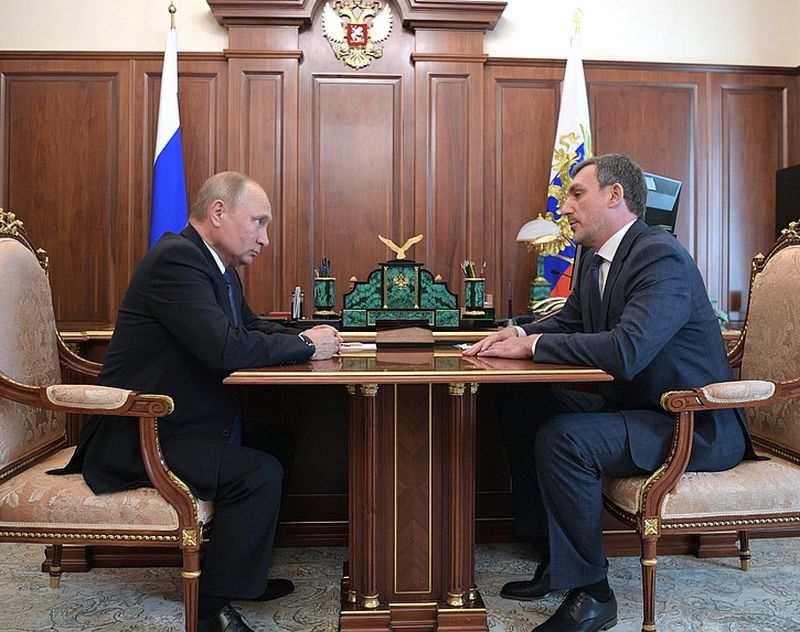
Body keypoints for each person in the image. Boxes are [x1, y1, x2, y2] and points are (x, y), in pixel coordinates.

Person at [464, 154, 755, 632]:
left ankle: (593, 595)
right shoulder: (595, 257)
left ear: (614, 195)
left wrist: (533, 346)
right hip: (640, 406)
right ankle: (556, 560)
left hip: (692, 422)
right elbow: (570, 322)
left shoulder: (659, 255)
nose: (565, 208)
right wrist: (517, 332)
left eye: (577, 194)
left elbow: (626, 350)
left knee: (564, 439)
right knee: (520, 403)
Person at [53, 171, 342, 632]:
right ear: (219, 212)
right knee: (259, 473)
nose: (265, 239)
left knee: (276, 442)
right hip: (145, 432)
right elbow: (225, 349)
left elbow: (248, 328)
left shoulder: (218, 266)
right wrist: (307, 347)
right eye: (259, 222)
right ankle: (209, 608)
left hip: (187, 421)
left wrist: (311, 335)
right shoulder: (177, 261)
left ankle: (243, 577)